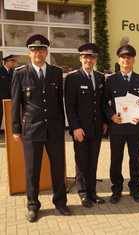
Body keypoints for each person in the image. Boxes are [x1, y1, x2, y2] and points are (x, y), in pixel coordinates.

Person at [11, 34, 71, 222]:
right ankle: (32, 205)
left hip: (54, 128)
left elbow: (60, 102)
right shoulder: (20, 73)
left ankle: (60, 202)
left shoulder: (55, 72)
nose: (38, 53)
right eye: (35, 50)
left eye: (42, 49)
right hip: (32, 130)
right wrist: (15, 129)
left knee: (58, 167)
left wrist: (63, 125)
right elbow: (16, 103)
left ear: (46, 52)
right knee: (32, 170)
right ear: (29, 53)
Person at [104, 44, 139, 204]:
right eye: (123, 58)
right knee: (116, 159)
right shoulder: (111, 80)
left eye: (129, 58)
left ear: (133, 60)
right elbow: (104, 102)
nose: (126, 60)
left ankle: (135, 189)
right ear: (119, 60)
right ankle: (116, 190)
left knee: (135, 159)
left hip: (135, 127)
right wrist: (111, 116)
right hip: (117, 127)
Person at [65, 43, 106, 207]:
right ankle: (83, 193)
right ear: (80, 58)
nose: (88, 60)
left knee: (93, 160)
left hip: (96, 128)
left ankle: (92, 192)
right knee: (81, 161)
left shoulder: (100, 77)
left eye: (91, 57)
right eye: (85, 57)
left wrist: (104, 122)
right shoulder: (73, 78)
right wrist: (75, 127)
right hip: (80, 129)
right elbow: (69, 105)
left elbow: (102, 103)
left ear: (95, 60)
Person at [0, 55, 17, 132]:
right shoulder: (0, 70)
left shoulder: (13, 72)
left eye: (14, 61)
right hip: (0, 98)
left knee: (11, 116)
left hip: (10, 98)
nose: (13, 63)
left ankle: (10, 132)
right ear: (6, 62)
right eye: (12, 61)